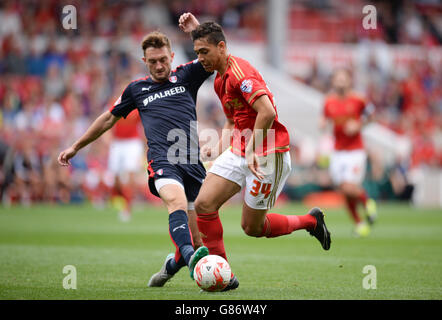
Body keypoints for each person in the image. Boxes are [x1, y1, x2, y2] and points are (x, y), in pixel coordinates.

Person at [178, 14, 332, 291]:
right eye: (197, 52)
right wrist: (219, 146)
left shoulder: (241, 74)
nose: (200, 58)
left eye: (204, 51)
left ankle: (311, 221)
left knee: (252, 228)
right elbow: (230, 120)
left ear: (222, 48)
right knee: (203, 205)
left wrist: (250, 151)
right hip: (242, 148)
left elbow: (268, 112)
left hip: (267, 152)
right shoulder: (218, 80)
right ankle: (223, 274)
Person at [58, 31, 211, 287]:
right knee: (177, 202)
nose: (159, 65)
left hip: (192, 164)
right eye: (153, 61)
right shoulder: (136, 90)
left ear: (172, 56)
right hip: (163, 162)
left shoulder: (187, 75)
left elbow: (214, 51)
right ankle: (192, 261)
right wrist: (76, 146)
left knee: (198, 241)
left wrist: (196, 29)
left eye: (163, 59)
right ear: (144, 61)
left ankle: (174, 264)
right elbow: (108, 118)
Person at [320, 68, 377, 237]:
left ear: (349, 81)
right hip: (338, 151)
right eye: (337, 79)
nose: (340, 82)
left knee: (349, 187)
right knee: (344, 191)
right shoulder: (328, 101)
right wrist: (322, 124)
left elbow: (372, 116)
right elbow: (323, 118)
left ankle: (368, 203)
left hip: (355, 150)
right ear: (333, 82)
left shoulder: (359, 100)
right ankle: (360, 224)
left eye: (343, 79)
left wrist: (358, 125)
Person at [107, 94, 144, 222]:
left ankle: (128, 207)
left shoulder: (137, 105)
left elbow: (143, 123)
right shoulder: (114, 102)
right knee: (116, 179)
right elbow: (108, 119)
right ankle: (119, 201)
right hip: (117, 143)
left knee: (130, 177)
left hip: (132, 143)